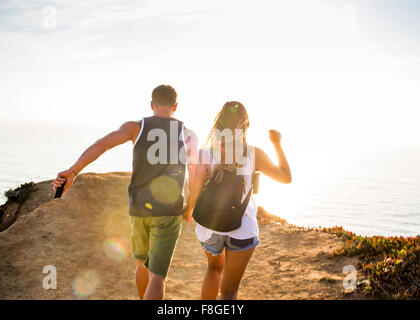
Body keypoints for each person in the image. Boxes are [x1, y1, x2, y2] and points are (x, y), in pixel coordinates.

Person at [53, 85, 197, 300]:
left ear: (151, 105)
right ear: (175, 106)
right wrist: (190, 207)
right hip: (168, 211)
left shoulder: (135, 128)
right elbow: (195, 175)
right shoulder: (188, 135)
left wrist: (73, 171)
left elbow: (102, 145)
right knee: (158, 277)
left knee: (142, 266)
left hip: (138, 208)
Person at [182, 101, 291, 300]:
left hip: (210, 226)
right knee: (230, 290)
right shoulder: (253, 154)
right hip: (243, 228)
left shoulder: (207, 152)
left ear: (219, 124)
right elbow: (285, 177)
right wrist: (277, 143)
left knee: (213, 270)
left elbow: (196, 187)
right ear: (245, 126)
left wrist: (188, 210)